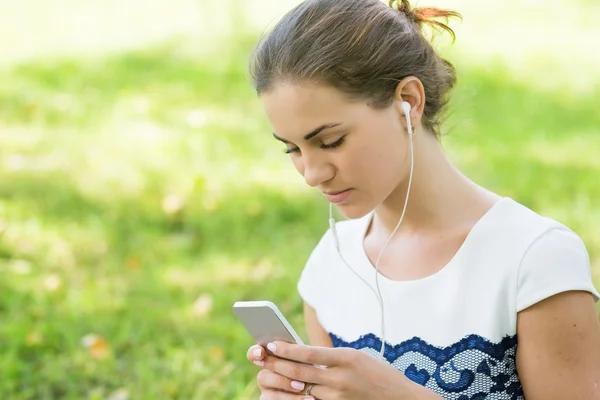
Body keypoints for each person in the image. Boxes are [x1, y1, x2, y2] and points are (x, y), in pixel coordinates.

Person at [244, 0, 600, 399]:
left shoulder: (532, 258)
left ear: (408, 102)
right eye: (292, 149)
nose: (312, 174)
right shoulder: (332, 262)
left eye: (331, 141)